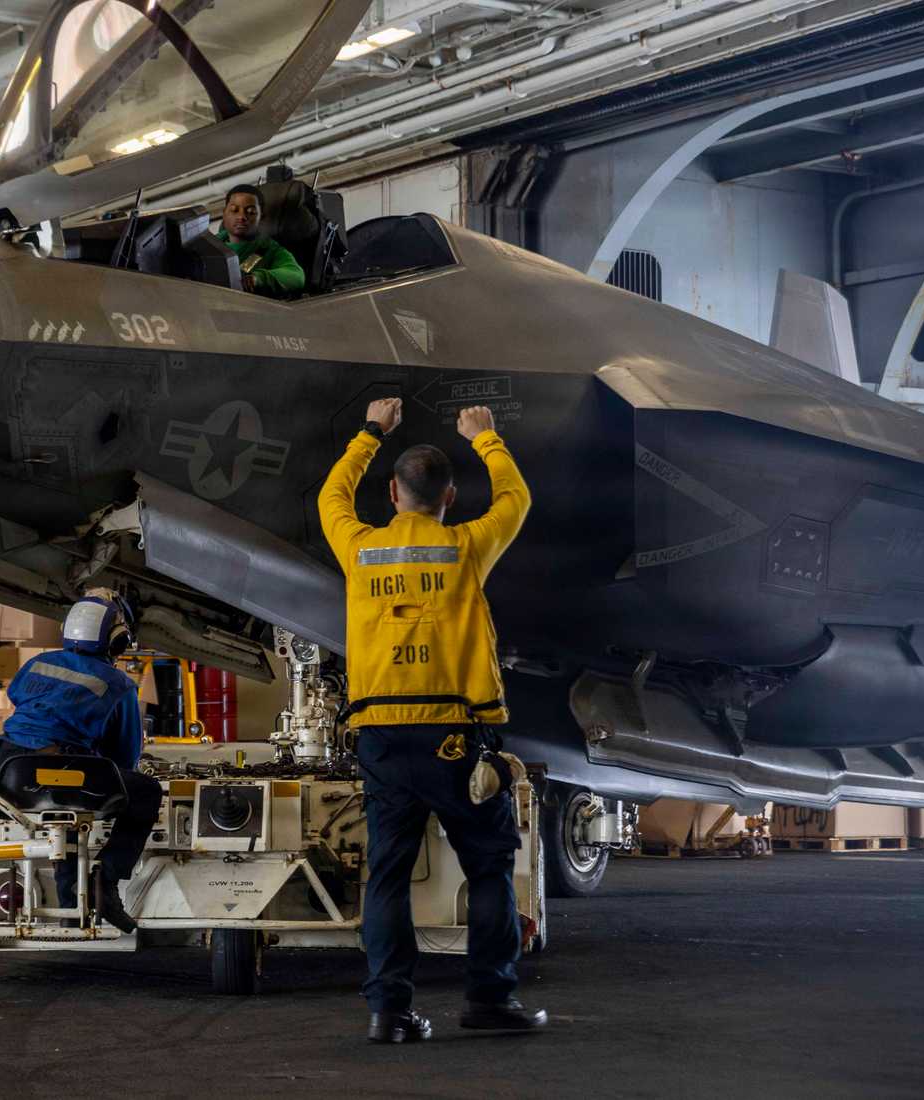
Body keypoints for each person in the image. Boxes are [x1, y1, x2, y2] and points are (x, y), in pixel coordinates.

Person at [318, 396, 547, 1044]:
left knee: (386, 873)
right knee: (489, 864)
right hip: (452, 738)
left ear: (392, 492)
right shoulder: (466, 547)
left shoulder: (358, 548)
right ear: (448, 497)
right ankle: (489, 1000)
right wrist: (487, 438)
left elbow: (332, 496)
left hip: (382, 740)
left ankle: (388, 1012)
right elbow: (516, 500)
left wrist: (369, 431)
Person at [0, 590, 160, 934]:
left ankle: (68, 911)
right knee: (144, 792)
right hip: (63, 772)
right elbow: (125, 755)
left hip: (6, 770)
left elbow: (17, 697)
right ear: (117, 641)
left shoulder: (37, 663)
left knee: (67, 818)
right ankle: (106, 882)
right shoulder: (118, 684)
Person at [217, 183, 306, 297]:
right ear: (224, 213)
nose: (241, 217)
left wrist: (258, 278)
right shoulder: (207, 245)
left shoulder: (270, 250)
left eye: (250, 212)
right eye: (234, 210)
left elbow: (296, 276)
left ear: (261, 217)